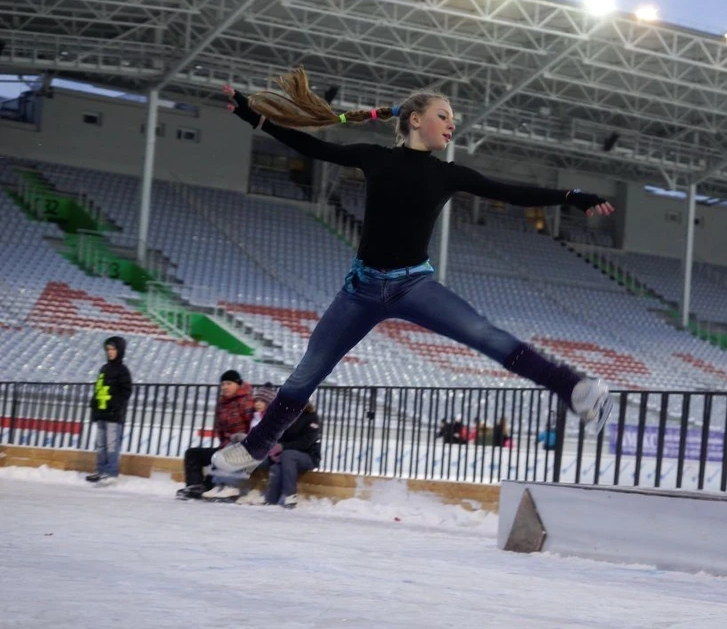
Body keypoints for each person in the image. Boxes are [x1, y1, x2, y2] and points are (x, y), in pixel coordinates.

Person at [212, 67, 617, 475]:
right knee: (308, 371)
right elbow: (311, 147)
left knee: (483, 333)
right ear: (415, 119)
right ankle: (257, 446)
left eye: (453, 118)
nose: (452, 123)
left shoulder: (447, 174)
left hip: (412, 284)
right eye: (444, 114)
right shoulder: (374, 158)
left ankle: (575, 389)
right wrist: (255, 117)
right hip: (361, 291)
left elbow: (510, 192)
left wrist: (571, 196)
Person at [176, 370, 254, 499]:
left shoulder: (247, 402)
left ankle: (208, 486)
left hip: (241, 449)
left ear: (238, 384)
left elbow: (253, 427)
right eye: (223, 384)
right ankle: (195, 486)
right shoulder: (222, 403)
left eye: (228, 383)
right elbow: (221, 431)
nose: (224, 387)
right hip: (224, 448)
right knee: (193, 453)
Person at [85, 336, 133, 486]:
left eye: (113, 349)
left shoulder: (123, 370)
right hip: (101, 412)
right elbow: (99, 388)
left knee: (112, 444)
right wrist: (94, 403)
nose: (110, 352)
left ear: (120, 351)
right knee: (100, 444)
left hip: (113, 414)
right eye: (108, 349)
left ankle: (111, 472)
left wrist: (115, 404)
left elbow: (126, 391)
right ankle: (100, 470)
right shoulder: (104, 369)